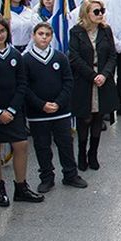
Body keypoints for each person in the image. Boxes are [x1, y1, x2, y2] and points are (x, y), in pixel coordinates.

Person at [0, 16, 44, 207]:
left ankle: (21, 186)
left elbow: (22, 83)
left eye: (2, 31)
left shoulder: (15, 55)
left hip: (14, 108)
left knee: (21, 145)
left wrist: (11, 109)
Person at [23, 22, 87, 193]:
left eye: (47, 34)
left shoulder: (60, 57)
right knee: (42, 146)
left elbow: (68, 82)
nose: (44, 37)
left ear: (52, 37)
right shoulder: (26, 60)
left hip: (61, 112)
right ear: (33, 36)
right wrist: (41, 104)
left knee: (65, 143)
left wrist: (59, 103)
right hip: (38, 114)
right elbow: (25, 87)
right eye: (40, 34)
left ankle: (70, 174)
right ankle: (46, 177)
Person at [68, 0, 118, 171]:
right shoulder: (76, 32)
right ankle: (81, 153)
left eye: (102, 10)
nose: (100, 14)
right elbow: (74, 57)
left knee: (98, 117)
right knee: (85, 118)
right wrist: (93, 75)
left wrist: (104, 75)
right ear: (86, 13)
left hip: (103, 80)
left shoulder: (106, 31)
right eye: (96, 11)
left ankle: (93, 154)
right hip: (85, 81)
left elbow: (112, 55)